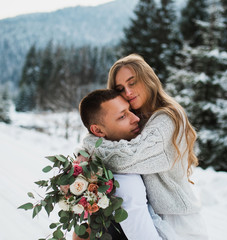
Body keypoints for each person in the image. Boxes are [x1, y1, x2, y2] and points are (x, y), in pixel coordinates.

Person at [82, 54, 209, 239]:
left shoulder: (169, 118)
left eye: (132, 83)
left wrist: (89, 146)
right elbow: (107, 136)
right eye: (120, 88)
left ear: (148, 78)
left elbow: (126, 158)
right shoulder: (135, 119)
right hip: (148, 215)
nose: (128, 92)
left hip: (175, 219)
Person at [77, 89, 164, 240]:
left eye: (130, 110)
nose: (135, 118)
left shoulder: (90, 164)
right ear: (97, 130)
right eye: (122, 116)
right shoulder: (125, 180)